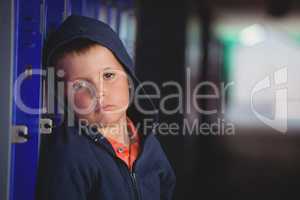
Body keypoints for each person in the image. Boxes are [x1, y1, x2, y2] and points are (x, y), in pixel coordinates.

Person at [36, 15, 176, 200]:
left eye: (109, 76)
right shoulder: (70, 155)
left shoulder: (147, 141)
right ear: (63, 97)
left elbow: (166, 188)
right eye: (80, 86)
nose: (99, 92)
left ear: (129, 78)